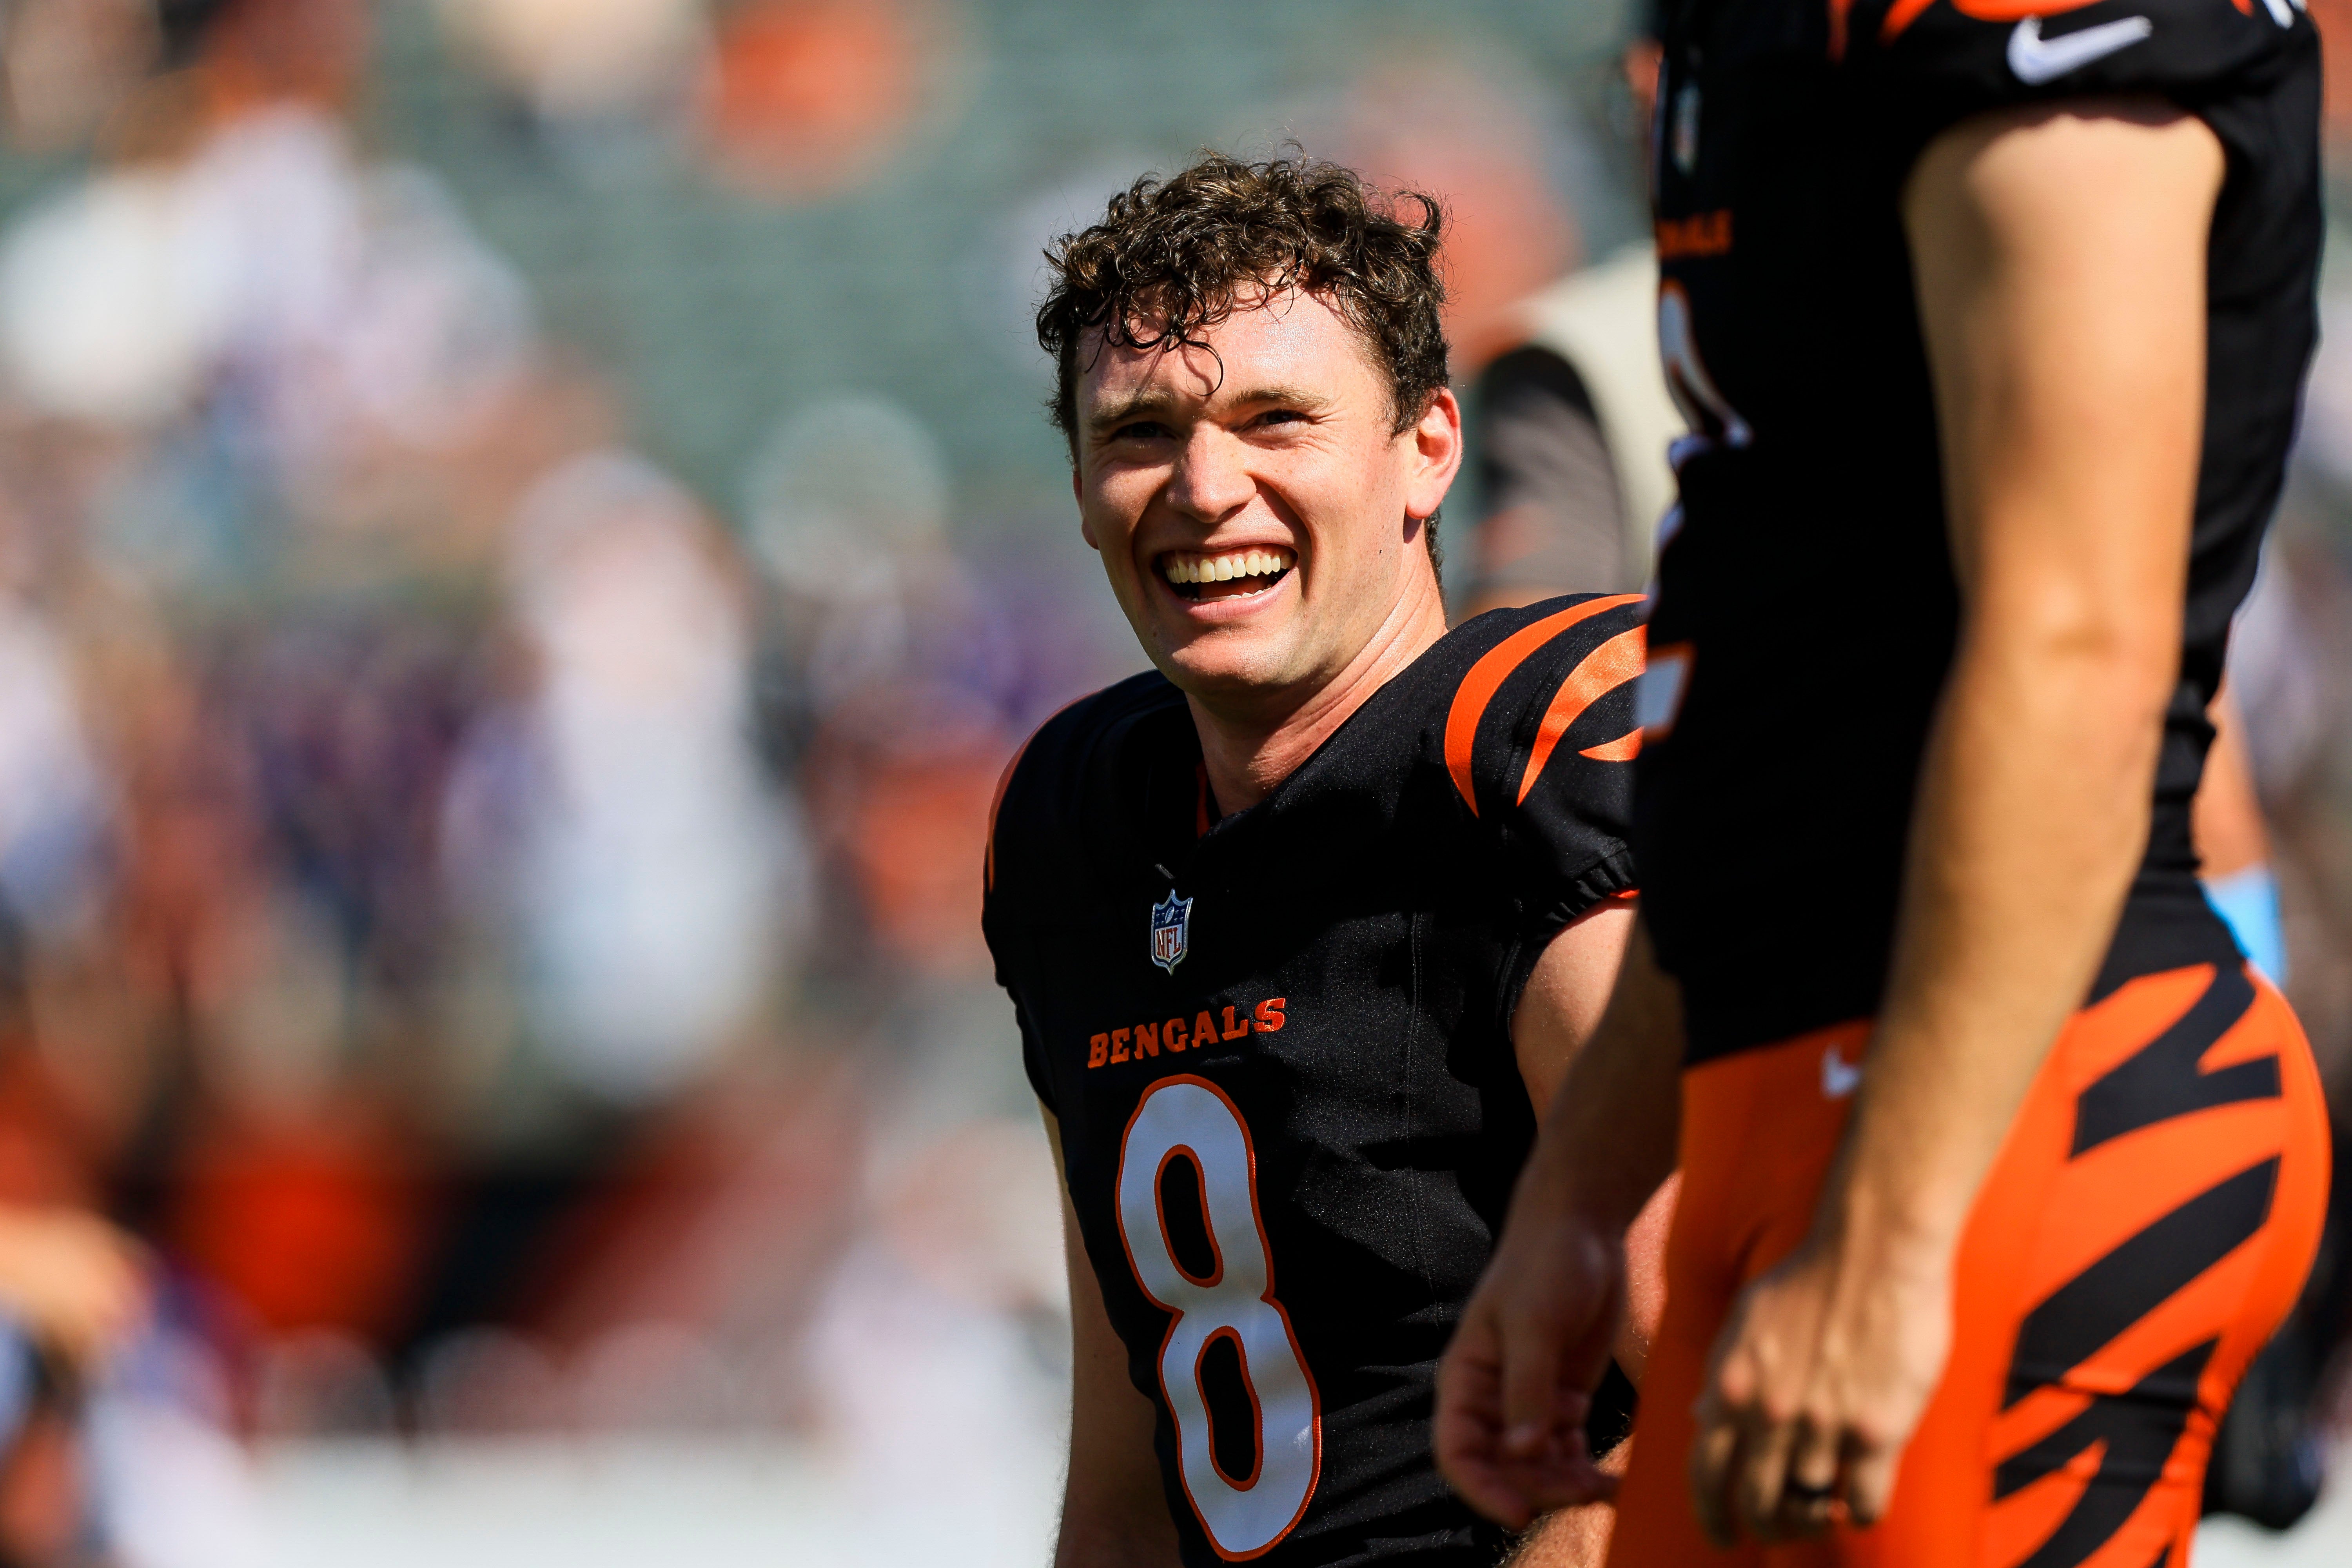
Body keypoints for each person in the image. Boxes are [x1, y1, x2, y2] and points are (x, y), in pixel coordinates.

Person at [1436, 4, 2331, 1566]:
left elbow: (2078, 647)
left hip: (2014, 1090)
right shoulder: (1760, 31)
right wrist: (1584, 1185)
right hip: (1790, 1082)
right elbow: (1762, 700)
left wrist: (1891, 1232)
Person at [983, 153, 1674, 1567]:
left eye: (1274, 420)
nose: (1203, 486)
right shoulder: (1073, 819)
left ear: (1428, 448)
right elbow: (1129, 1462)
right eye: (1140, 431)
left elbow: (1709, 1388)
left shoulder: (1528, 755)